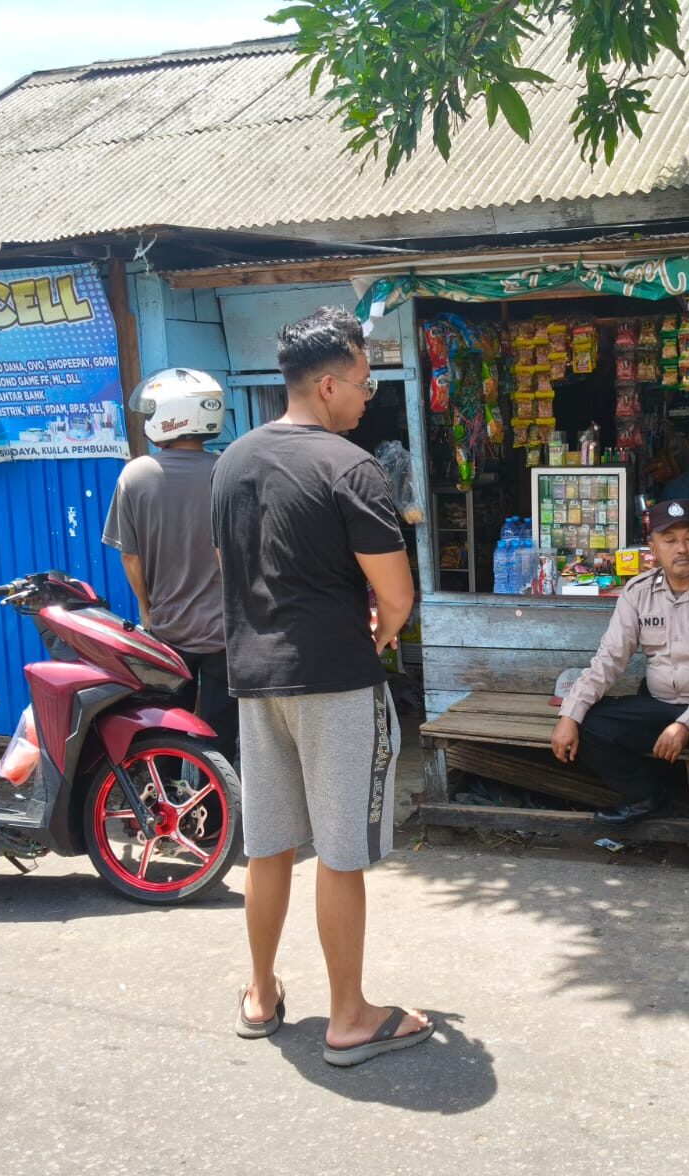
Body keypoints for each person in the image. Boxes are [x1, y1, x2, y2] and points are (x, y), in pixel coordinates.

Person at [211, 306, 431, 1067]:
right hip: (336, 682)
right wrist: (380, 635)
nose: (369, 397)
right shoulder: (351, 468)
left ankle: (262, 993)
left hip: (255, 680)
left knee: (268, 845)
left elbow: (234, 570)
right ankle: (348, 1016)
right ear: (329, 384)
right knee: (340, 852)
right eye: (366, 383)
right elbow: (397, 597)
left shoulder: (232, 460)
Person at [550, 498, 689, 885]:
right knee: (589, 725)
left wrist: (685, 724)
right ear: (652, 547)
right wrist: (570, 713)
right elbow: (609, 660)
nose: (681, 548)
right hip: (660, 706)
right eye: (669, 539)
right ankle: (646, 796)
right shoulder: (637, 593)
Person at [102, 368, 237, 763]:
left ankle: (165, 808)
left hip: (167, 632)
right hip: (226, 635)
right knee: (219, 737)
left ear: (170, 415)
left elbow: (130, 556)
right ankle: (213, 819)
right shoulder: (226, 471)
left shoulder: (137, 474)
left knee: (164, 730)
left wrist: (147, 609)